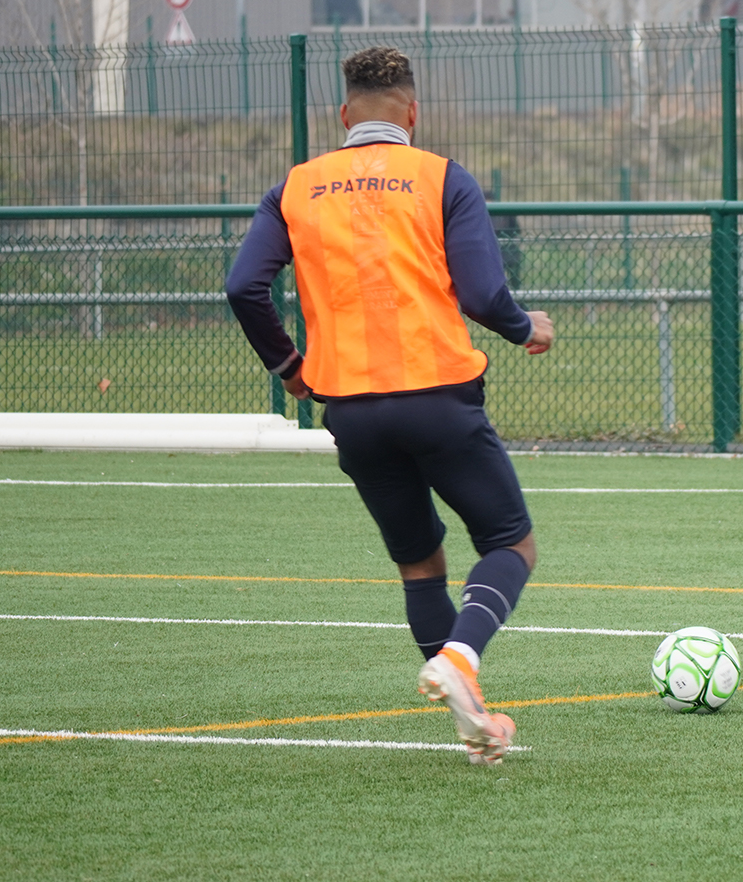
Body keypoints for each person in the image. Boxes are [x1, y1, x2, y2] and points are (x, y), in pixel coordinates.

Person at [226, 46, 553, 764]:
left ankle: (470, 712)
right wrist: (530, 327)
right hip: (437, 396)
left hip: (351, 411)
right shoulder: (441, 178)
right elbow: (481, 294)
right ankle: (461, 658)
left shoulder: (296, 187)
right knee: (509, 544)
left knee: (420, 565)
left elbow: (244, 286)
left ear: (344, 116)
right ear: (413, 112)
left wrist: (288, 366)